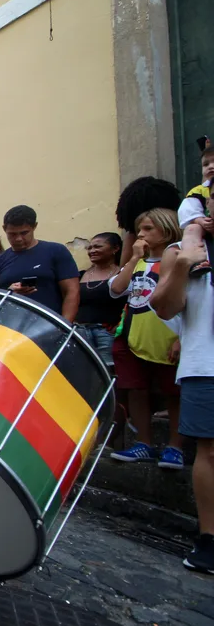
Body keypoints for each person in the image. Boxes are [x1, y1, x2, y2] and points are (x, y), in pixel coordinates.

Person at [150, 210, 214, 573]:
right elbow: (163, 306)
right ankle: (209, 537)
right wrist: (185, 263)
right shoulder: (183, 249)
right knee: (210, 450)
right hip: (207, 362)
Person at [108, 209, 185, 469]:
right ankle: (144, 443)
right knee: (136, 390)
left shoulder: (177, 261)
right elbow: (118, 289)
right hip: (132, 335)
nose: (141, 234)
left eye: (148, 228)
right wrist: (133, 259)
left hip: (166, 336)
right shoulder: (138, 261)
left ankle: (176, 446)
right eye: (140, 229)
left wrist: (181, 338)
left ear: (167, 229)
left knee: (173, 393)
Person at [0, 206, 79, 321]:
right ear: (4, 229)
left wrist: (64, 328)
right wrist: (9, 293)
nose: (18, 239)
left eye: (24, 233)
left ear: (34, 226)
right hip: (10, 329)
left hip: (50, 326)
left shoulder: (56, 251)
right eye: (12, 234)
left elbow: (72, 292)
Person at [75, 232, 124, 369]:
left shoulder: (122, 274)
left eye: (97, 247)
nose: (92, 251)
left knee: (108, 371)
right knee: (84, 371)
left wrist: (119, 326)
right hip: (81, 331)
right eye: (89, 248)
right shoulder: (80, 275)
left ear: (115, 249)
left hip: (107, 332)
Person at [176, 138, 214, 276]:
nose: (210, 166)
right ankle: (194, 260)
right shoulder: (198, 191)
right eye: (206, 164)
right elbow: (187, 210)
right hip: (205, 227)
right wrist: (200, 221)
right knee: (192, 228)